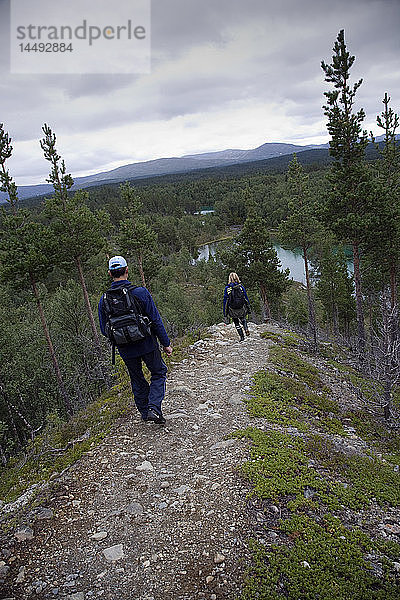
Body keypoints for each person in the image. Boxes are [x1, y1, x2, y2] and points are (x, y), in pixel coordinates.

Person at [98, 256, 172, 424]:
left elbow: (104, 330)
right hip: (147, 344)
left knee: (136, 378)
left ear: (110, 274)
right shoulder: (140, 292)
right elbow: (156, 320)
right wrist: (166, 343)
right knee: (158, 372)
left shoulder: (104, 300)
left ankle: (145, 412)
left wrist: (122, 337)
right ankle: (154, 407)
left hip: (125, 349)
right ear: (127, 270)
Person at [223, 272, 251, 341]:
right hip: (241, 307)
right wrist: (248, 308)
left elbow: (225, 301)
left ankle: (242, 337)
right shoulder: (241, 287)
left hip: (232, 309)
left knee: (236, 322)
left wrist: (225, 312)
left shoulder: (227, 288)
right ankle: (246, 328)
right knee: (243, 319)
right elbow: (246, 298)